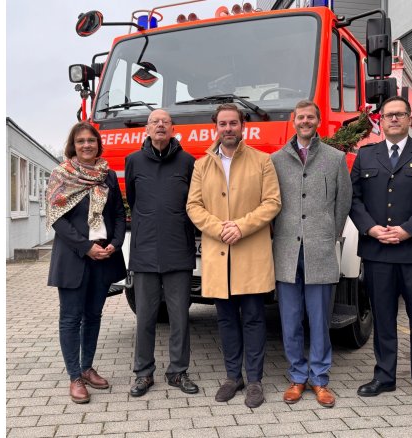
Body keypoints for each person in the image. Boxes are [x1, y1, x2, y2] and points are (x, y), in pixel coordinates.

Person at [349, 96, 412, 410]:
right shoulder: (366, 156)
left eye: (400, 114)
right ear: (380, 120)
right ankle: (384, 376)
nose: (394, 119)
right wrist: (371, 229)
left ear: (407, 119)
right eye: (389, 115)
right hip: (378, 251)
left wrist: (407, 229)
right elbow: (353, 198)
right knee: (383, 317)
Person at [186, 103, 281, 408]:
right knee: (226, 320)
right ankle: (232, 377)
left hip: (250, 252)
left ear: (243, 126)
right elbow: (193, 206)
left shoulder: (263, 161)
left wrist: (241, 227)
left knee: (253, 318)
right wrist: (218, 228)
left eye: (233, 123)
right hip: (218, 253)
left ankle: (254, 380)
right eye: (222, 124)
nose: (228, 129)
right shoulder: (202, 165)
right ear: (216, 128)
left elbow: (272, 203)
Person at [270, 100, 351, 408]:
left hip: (320, 250)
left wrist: (330, 235)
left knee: (319, 319)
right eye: (300, 117)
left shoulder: (335, 158)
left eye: (310, 117)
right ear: (294, 121)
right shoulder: (276, 160)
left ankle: (319, 379)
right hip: (287, 250)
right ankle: (296, 376)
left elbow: (342, 203)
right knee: (290, 320)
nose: (305, 121)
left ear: (318, 121)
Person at [45, 122, 126, 404]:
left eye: (91, 140)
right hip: (73, 258)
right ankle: (74, 377)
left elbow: (118, 213)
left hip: (103, 258)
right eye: (81, 141)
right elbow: (57, 219)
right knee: (71, 318)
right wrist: (86, 247)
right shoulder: (61, 175)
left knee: (93, 315)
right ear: (73, 145)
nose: (87, 145)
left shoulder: (108, 176)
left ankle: (87, 367)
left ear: (98, 144)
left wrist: (115, 243)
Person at [125, 109, 199, 398]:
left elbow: (193, 203)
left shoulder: (188, 162)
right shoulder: (133, 162)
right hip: (144, 252)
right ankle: (144, 374)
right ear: (146, 129)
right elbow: (133, 199)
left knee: (180, 317)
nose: (159, 126)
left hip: (178, 250)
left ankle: (178, 372)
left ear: (172, 129)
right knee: (145, 317)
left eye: (164, 122)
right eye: (154, 122)